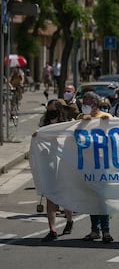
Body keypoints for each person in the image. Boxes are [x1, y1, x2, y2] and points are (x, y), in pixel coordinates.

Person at [77, 91, 114, 243]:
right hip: (88, 165)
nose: (84, 106)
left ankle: (106, 230)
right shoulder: (81, 118)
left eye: (86, 103)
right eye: (83, 103)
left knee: (102, 199)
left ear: (94, 104)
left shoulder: (107, 118)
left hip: (104, 165)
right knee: (93, 198)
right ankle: (94, 230)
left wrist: (107, 122)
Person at [36, 99, 74, 241]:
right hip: (49, 165)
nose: (51, 114)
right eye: (49, 111)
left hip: (64, 165)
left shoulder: (67, 124)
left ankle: (69, 219)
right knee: (51, 197)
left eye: (53, 111)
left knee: (65, 198)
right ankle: (52, 230)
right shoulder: (44, 125)